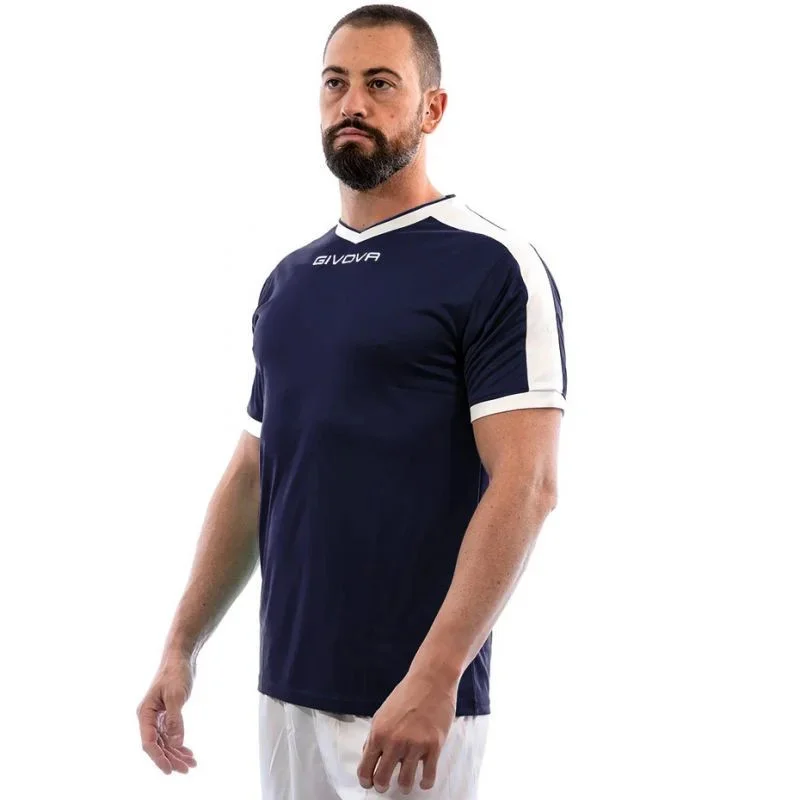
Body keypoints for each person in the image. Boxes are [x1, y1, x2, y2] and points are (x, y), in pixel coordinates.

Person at [136, 4, 567, 798]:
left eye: (380, 84)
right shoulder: (289, 282)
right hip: (286, 691)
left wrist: (437, 676)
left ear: (432, 108)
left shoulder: (491, 267)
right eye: (335, 84)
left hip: (413, 703)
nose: (352, 104)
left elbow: (528, 485)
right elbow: (254, 474)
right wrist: (182, 646)